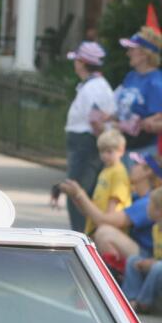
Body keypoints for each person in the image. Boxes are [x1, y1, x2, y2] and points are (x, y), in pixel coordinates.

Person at [60, 156, 161, 270]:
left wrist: (80, 194)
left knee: (105, 233)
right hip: (138, 250)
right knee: (102, 231)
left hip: (148, 256)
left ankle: (114, 276)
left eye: (136, 164)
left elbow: (102, 220)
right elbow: (94, 216)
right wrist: (75, 195)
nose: (132, 166)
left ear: (147, 171)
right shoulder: (137, 196)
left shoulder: (147, 202)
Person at [59, 41, 116, 231]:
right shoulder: (91, 86)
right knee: (79, 192)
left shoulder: (94, 88)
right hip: (83, 144)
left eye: (77, 60)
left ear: (82, 62)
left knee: (78, 193)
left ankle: (81, 235)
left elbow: (95, 120)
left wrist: (102, 144)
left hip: (87, 145)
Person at [97, 27, 162, 155]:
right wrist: (110, 116)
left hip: (142, 151)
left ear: (145, 54)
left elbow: (157, 119)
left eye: (132, 49)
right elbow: (124, 109)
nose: (128, 53)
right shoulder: (131, 76)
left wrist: (145, 124)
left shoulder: (156, 83)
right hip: (120, 147)